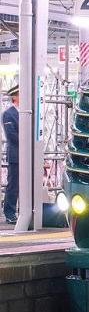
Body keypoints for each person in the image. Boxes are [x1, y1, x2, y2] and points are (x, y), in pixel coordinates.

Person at [2, 86, 17, 223]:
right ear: (15, 97)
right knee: (14, 184)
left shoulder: (29, 112)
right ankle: (9, 212)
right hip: (16, 156)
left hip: (29, 155)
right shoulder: (8, 114)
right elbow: (12, 136)